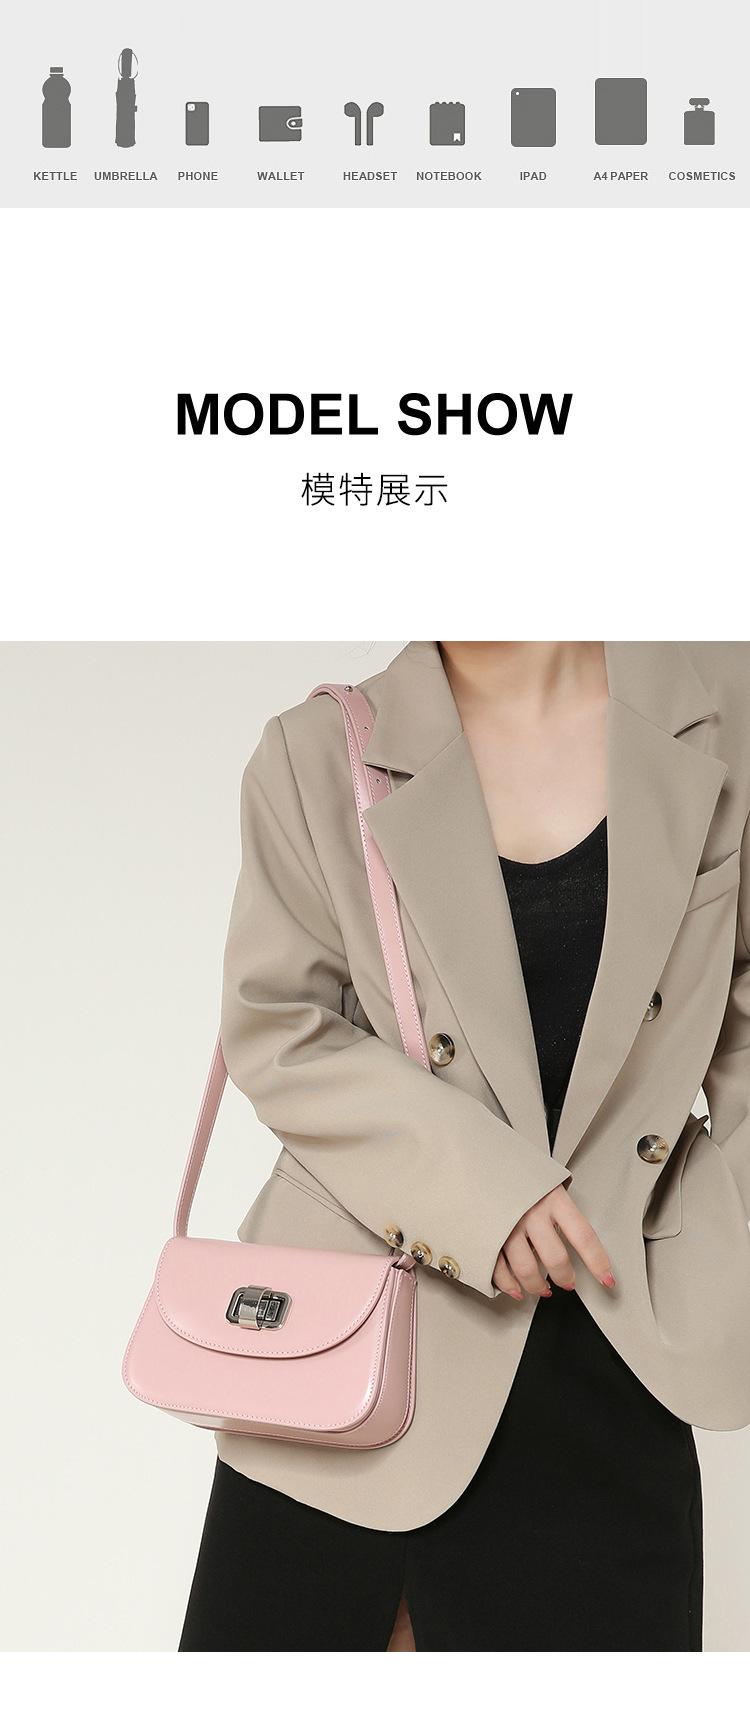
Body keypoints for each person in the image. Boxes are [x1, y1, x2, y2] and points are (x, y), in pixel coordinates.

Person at [179, 640, 750, 1652]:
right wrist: (483, 1193)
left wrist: (722, 1239)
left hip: (616, 1350)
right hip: (351, 1378)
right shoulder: (316, 754)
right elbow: (280, 1026)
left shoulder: (726, 707)